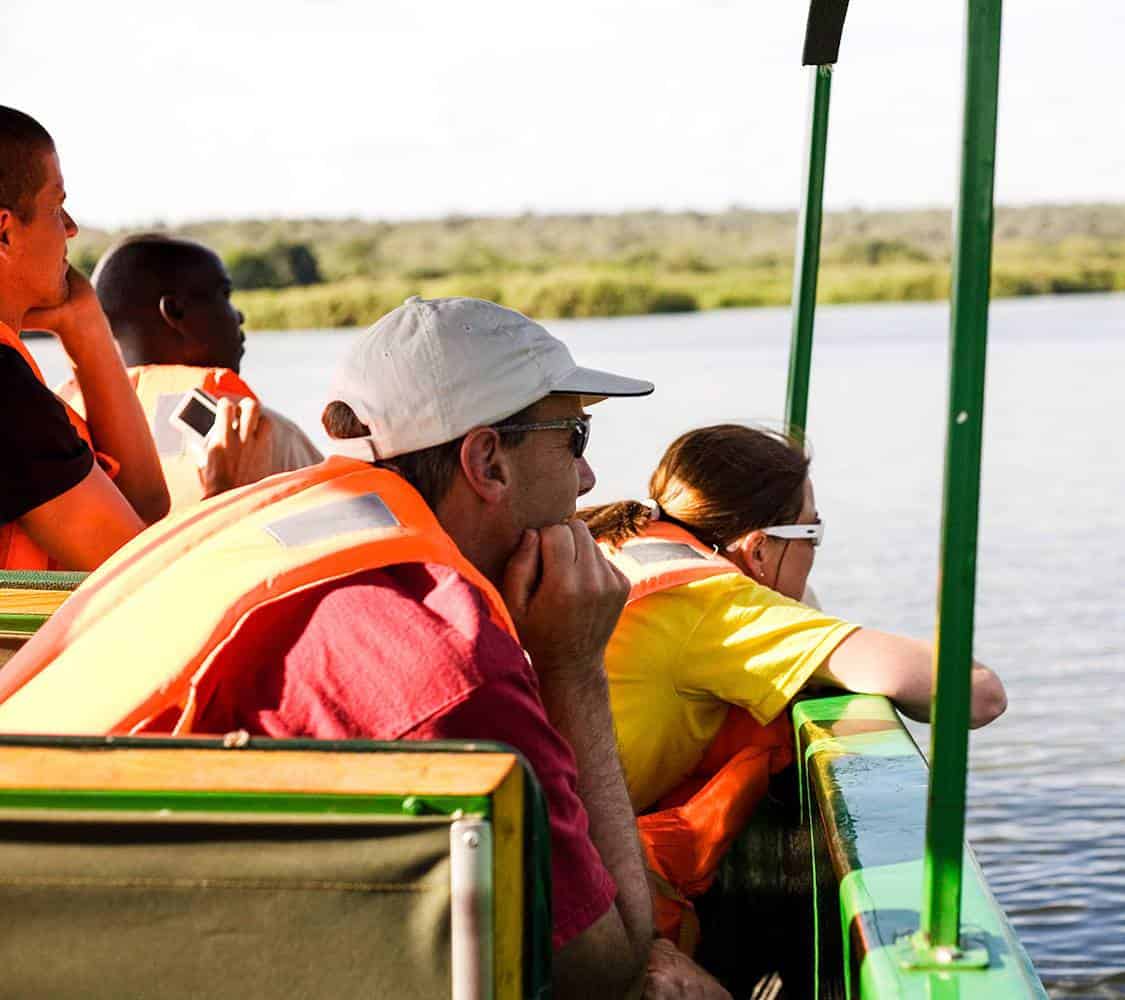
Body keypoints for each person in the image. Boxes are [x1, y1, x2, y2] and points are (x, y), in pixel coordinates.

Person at [0, 297, 667, 997]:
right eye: (576, 440)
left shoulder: (262, 520)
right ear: (487, 462)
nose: (589, 481)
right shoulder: (447, 658)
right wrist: (574, 667)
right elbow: (606, 967)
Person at [581, 423, 1008, 952]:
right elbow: (976, 694)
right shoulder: (715, 604)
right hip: (562, 873)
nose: (815, 551)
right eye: (812, 533)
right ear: (758, 549)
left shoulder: (625, 541)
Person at [0, 106, 251, 569]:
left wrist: (85, 327)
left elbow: (142, 504)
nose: (70, 228)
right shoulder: (7, 397)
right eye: (57, 207)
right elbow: (131, 570)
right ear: (5, 233)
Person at [56, 233, 322, 511]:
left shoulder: (62, 428)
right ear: (175, 312)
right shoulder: (254, 432)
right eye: (225, 296)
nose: (239, 315)